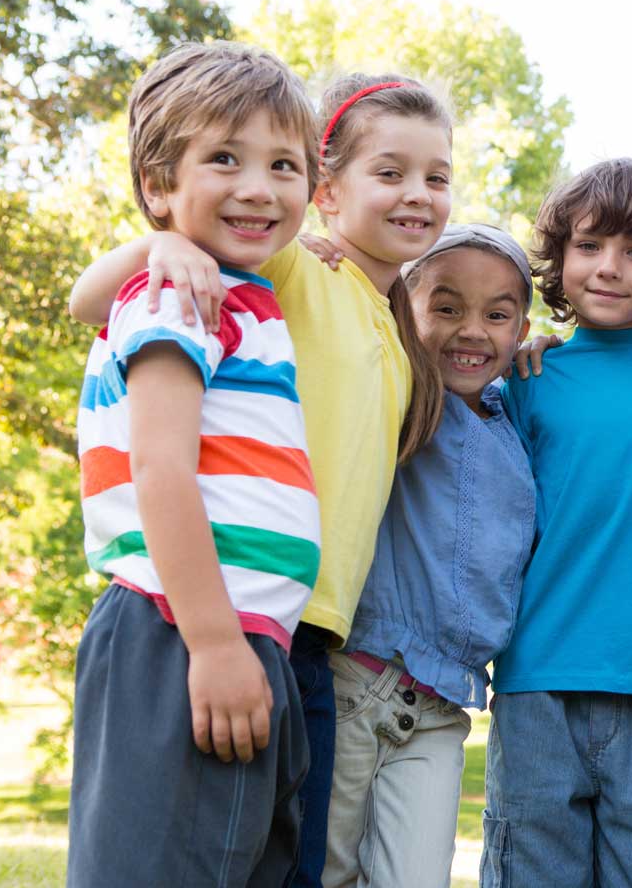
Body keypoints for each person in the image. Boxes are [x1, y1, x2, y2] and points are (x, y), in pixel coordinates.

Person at [68, 72, 453, 887]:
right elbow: (93, 298)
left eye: (436, 176)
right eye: (389, 172)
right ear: (330, 188)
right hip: (205, 616)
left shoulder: (394, 326)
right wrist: (161, 243)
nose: (416, 193)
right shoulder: (287, 271)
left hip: (294, 641)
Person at [67, 40, 320, 887]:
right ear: (158, 186)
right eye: (224, 158)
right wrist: (212, 641)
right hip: (181, 629)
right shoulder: (182, 293)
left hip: (243, 637)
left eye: (285, 164)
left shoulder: (240, 295)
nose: (258, 186)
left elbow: (84, 298)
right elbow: (160, 468)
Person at [481, 158, 632, 887]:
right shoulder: (527, 377)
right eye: (589, 246)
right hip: (537, 678)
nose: (609, 268)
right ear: (560, 258)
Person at [315, 223, 536, 888]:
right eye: (446, 307)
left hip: (441, 709)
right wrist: (326, 256)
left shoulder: (514, 416)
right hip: (354, 678)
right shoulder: (398, 388)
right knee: (325, 871)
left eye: (497, 316)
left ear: (522, 328)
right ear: (400, 310)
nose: (472, 330)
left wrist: (546, 353)